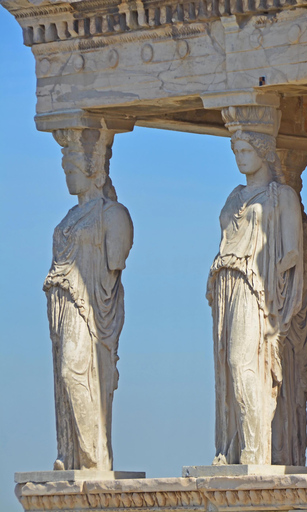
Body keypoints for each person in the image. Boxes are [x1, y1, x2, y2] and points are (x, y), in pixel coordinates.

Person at [207, 128, 303, 465]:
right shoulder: (234, 196)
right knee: (227, 366)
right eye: (236, 151)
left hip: (256, 285)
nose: (240, 157)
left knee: (242, 361)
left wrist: (272, 279)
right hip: (226, 283)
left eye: (246, 150)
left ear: (263, 152)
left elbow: (292, 251)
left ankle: (255, 448)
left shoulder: (282, 196)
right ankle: (232, 447)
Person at [45, 128, 133, 470]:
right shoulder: (69, 216)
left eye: (73, 169)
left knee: (74, 371)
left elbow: (115, 263)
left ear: (93, 170)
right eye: (66, 169)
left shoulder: (112, 214)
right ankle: (71, 454)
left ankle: (93, 455)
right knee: (63, 375)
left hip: (90, 305)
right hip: (62, 302)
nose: (68, 175)